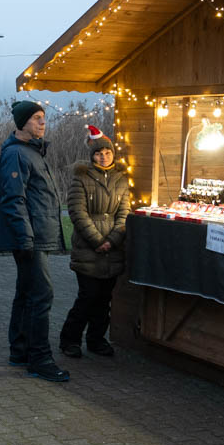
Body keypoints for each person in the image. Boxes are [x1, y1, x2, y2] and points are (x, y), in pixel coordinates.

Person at [0, 101, 69, 383]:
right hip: (31, 237)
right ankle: (40, 359)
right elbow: (14, 199)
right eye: (37, 118)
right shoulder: (16, 153)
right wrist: (25, 238)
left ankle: (21, 350)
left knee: (27, 293)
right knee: (42, 296)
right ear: (22, 122)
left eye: (44, 118)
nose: (43, 123)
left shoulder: (32, 151)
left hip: (35, 234)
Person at [59, 124, 130, 358]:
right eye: (99, 153)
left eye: (107, 153)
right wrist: (98, 240)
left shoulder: (121, 180)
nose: (103, 156)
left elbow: (124, 213)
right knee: (87, 297)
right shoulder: (81, 178)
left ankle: (96, 339)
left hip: (113, 249)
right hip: (89, 249)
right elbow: (77, 213)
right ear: (92, 156)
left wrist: (114, 238)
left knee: (104, 300)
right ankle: (70, 339)